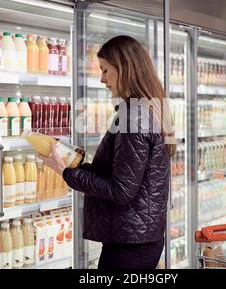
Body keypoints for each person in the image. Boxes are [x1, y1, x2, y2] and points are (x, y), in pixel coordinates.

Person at [40, 35, 175, 269]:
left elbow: (121, 191)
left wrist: (67, 173)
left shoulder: (134, 117)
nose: (102, 79)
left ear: (124, 68)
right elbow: (122, 176)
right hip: (139, 238)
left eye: (105, 70)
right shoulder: (149, 109)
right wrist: (75, 165)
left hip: (130, 246)